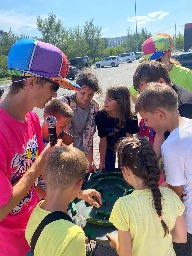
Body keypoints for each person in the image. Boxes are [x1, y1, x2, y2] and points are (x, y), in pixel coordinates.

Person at [0, 38, 99, 256]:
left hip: (36, 229)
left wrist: (76, 191)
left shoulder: (33, 120)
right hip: (10, 247)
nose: (55, 94)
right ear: (32, 81)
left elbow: (31, 182)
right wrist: (41, 161)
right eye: (54, 86)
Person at [135, 83, 192, 256]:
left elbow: (176, 191)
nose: (146, 124)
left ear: (160, 114)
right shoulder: (189, 125)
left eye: (146, 119)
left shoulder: (172, 146)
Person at [106, 136, 187, 256]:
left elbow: (125, 254)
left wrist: (115, 242)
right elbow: (181, 238)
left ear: (126, 171)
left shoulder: (123, 206)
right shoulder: (171, 195)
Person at [25, 145, 90, 255]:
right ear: (79, 185)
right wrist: (77, 241)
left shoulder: (36, 211)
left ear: (44, 176)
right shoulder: (74, 237)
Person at [133, 60, 192, 159]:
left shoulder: (184, 106)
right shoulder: (161, 101)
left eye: (144, 90)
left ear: (161, 82)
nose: (142, 95)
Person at [59, 68, 102, 172]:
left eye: (90, 94)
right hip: (64, 154)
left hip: (82, 153)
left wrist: (90, 162)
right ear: (75, 89)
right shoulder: (63, 104)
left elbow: (89, 136)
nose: (86, 98)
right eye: (82, 93)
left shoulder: (94, 107)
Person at [129, 33, 192, 104]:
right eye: (147, 61)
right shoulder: (146, 77)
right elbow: (132, 92)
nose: (152, 64)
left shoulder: (186, 75)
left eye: (156, 60)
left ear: (168, 53)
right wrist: (142, 109)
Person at [95, 85, 139, 172]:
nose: (105, 101)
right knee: (107, 169)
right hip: (108, 146)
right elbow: (103, 140)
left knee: (123, 169)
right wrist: (101, 161)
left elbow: (129, 142)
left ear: (120, 103)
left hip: (123, 146)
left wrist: (128, 161)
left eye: (109, 100)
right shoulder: (101, 116)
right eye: (106, 98)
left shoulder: (131, 117)